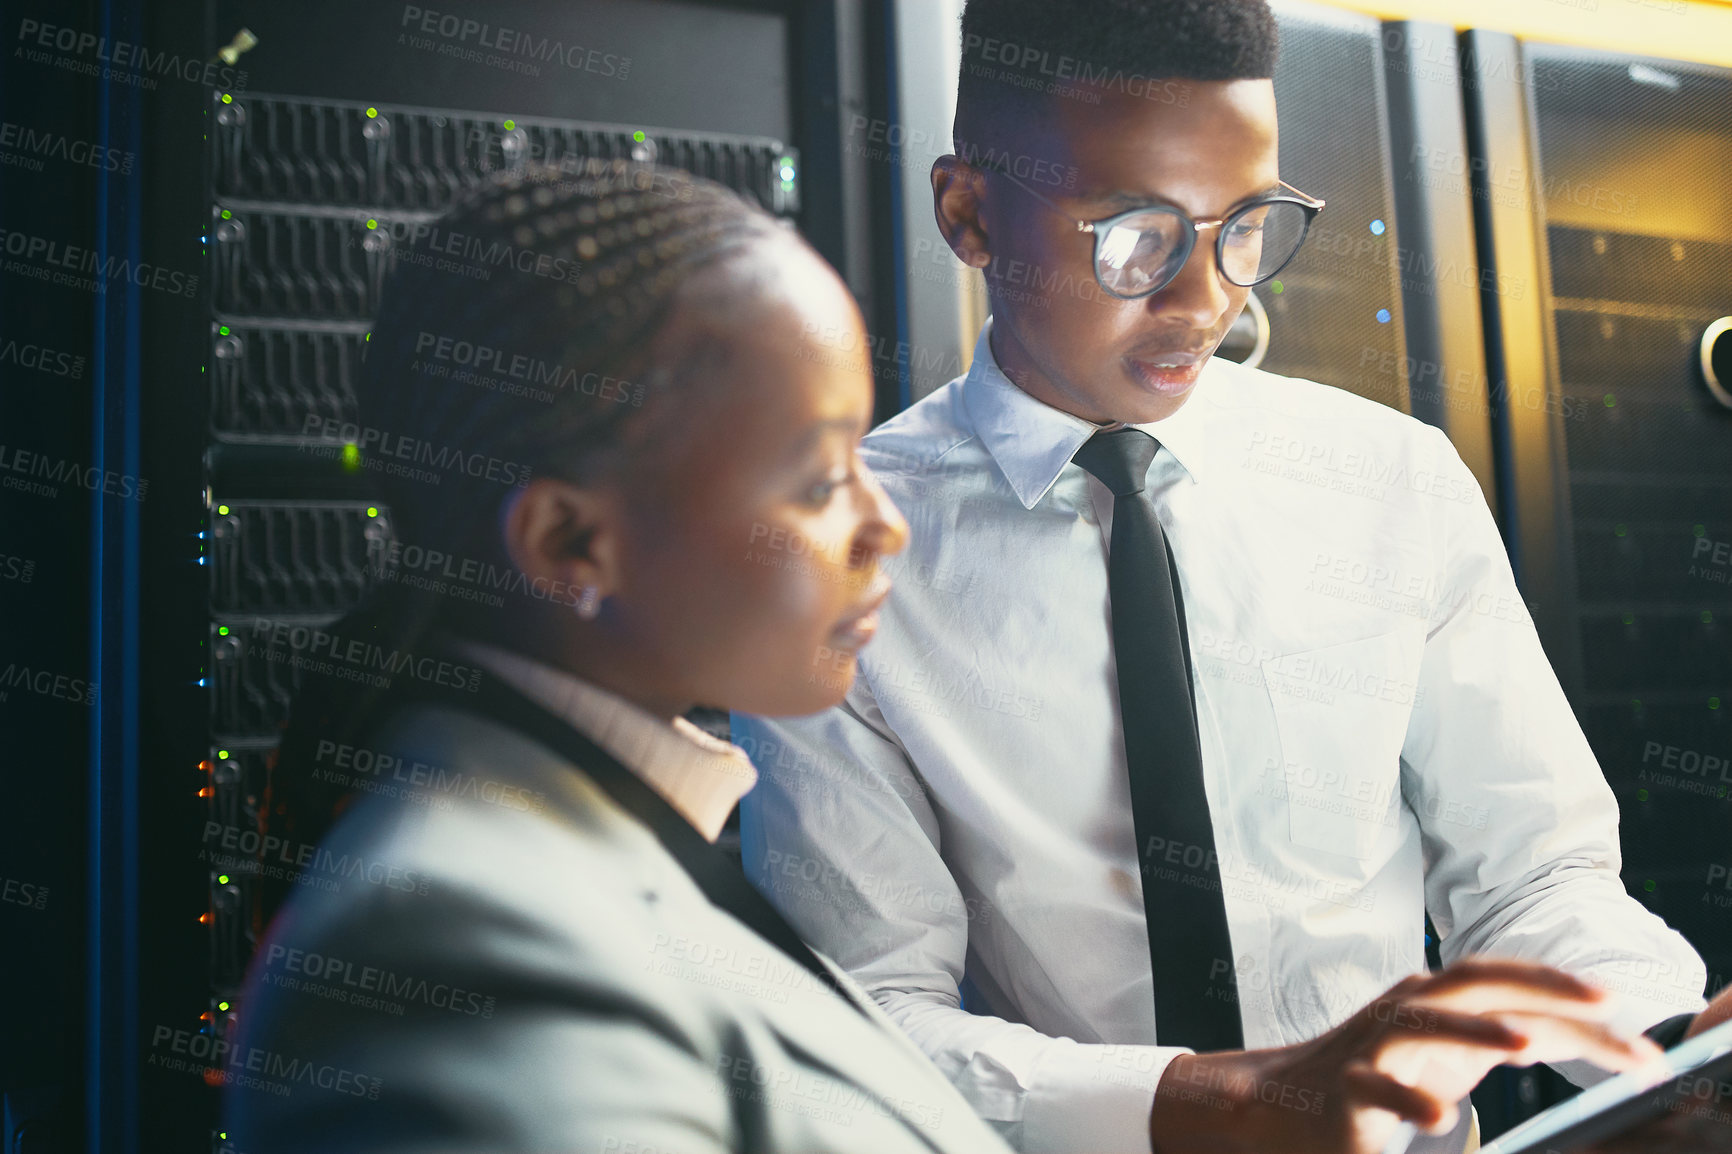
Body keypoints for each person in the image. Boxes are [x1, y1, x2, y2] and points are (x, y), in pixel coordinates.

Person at [220, 159, 1672, 1154]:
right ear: (571, 543)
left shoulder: (611, 850)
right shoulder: (463, 928)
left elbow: (1539, 869)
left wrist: (1661, 1056)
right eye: (812, 475)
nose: (886, 528)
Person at [733, 2, 1732, 1152]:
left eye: (1245, 225)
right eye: (1133, 235)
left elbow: (1531, 876)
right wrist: (1209, 1105)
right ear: (969, 212)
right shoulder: (840, 551)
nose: (1207, 299)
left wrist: (1663, 1054)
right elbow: (862, 1025)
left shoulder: (1389, 479)